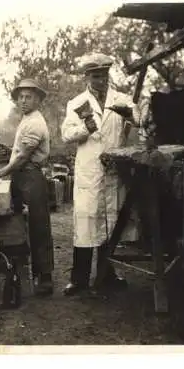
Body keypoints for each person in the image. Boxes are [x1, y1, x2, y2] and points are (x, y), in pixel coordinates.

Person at [61, 53, 142, 296]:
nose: (100, 80)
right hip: (90, 169)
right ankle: (79, 279)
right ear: (87, 77)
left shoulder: (121, 98)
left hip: (114, 168)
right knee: (86, 222)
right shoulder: (76, 103)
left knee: (111, 221)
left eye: (104, 75)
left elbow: (140, 119)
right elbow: (66, 135)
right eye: (95, 76)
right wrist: (84, 129)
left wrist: (129, 115)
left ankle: (107, 274)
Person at [0, 79, 54, 296]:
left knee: (38, 225)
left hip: (31, 176)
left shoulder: (35, 123)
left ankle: (45, 277)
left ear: (38, 100)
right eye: (21, 97)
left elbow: (23, 157)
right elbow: (18, 151)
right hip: (21, 176)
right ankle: (19, 268)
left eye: (29, 97)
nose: (23, 101)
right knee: (15, 221)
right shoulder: (26, 119)